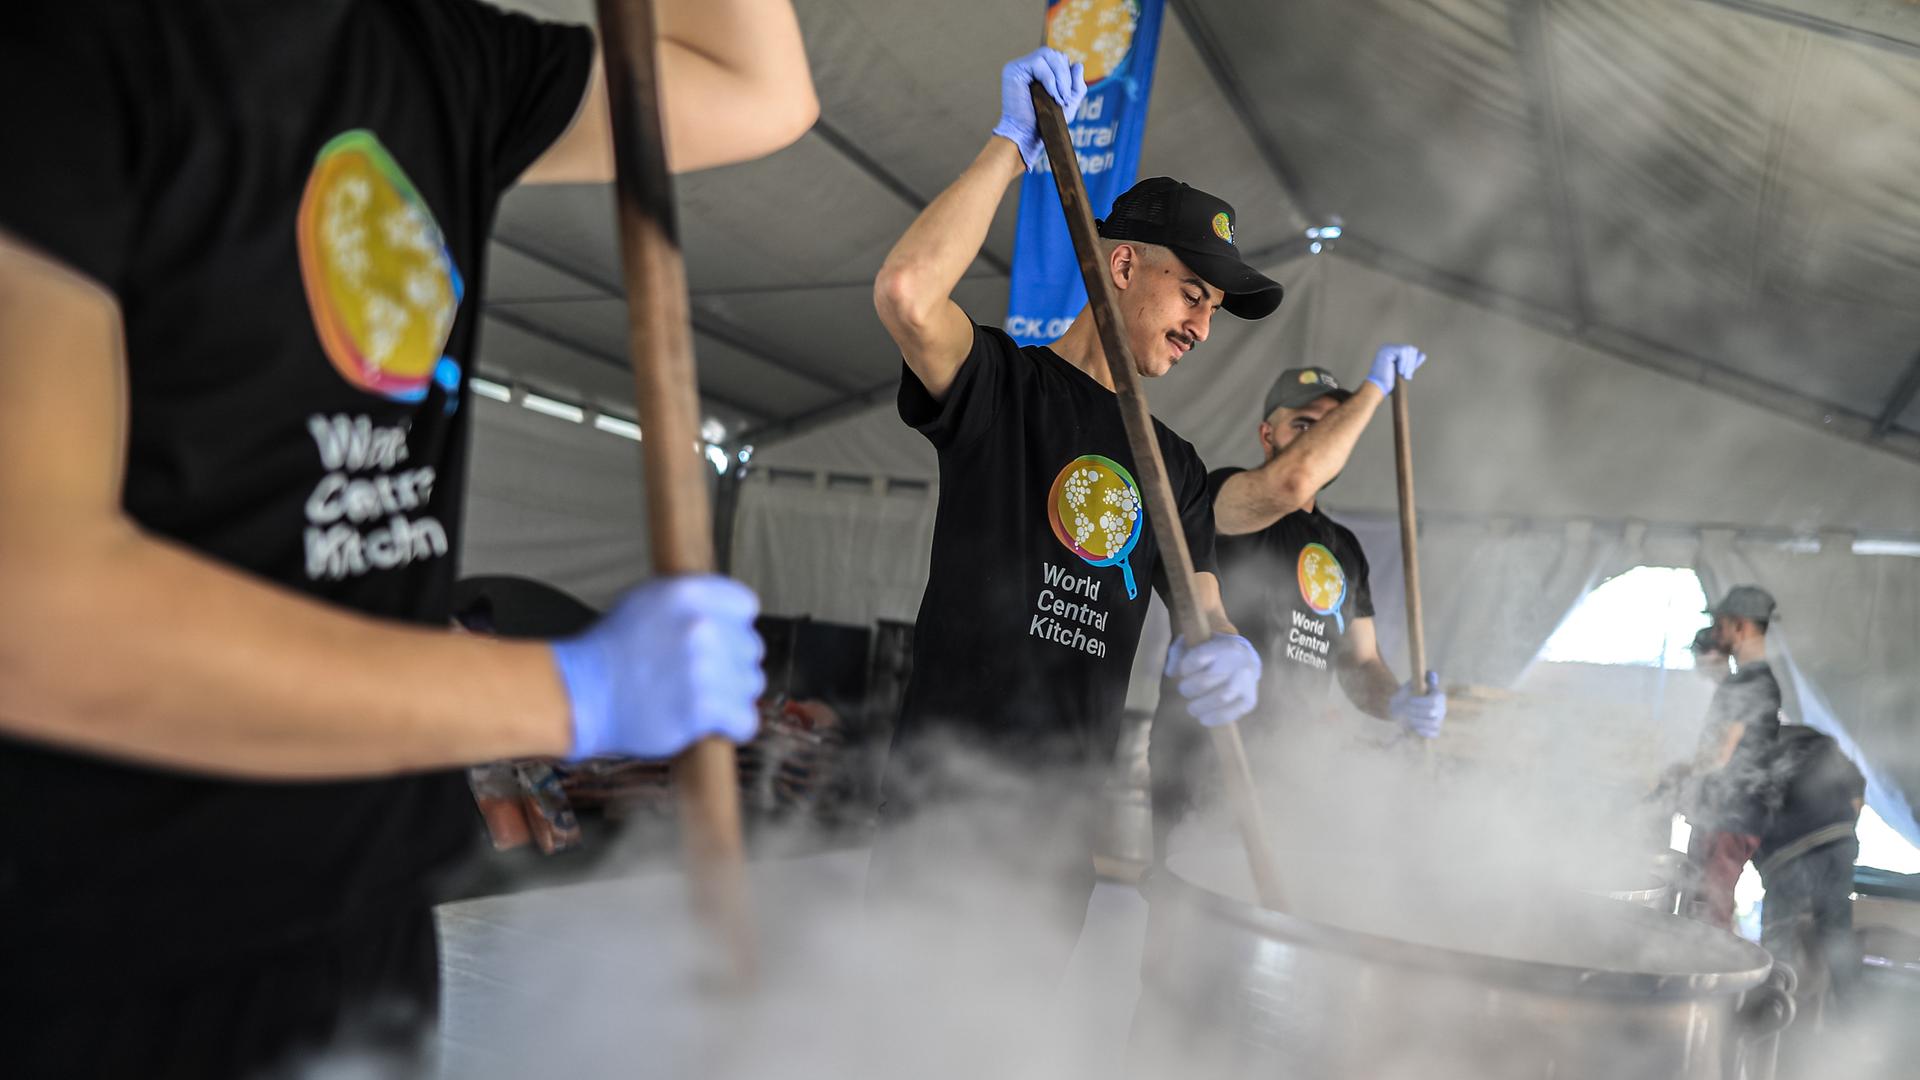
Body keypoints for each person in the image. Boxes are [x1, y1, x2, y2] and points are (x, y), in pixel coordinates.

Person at [0, 2, 815, 1074]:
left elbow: (759, 91)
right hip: (101, 955)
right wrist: (574, 691)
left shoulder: (441, 56)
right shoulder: (61, 52)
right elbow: (37, 614)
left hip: (364, 931)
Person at [865, 48, 1276, 976]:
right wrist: (1012, 145)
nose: (1202, 328)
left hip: (1059, 837)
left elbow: (1201, 605)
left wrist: (1223, 649)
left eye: (1213, 310)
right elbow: (905, 294)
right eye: (1193, 294)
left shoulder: (1173, 466)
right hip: (942, 814)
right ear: (1121, 264)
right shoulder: (1002, 386)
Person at [1149, 359, 1448, 857]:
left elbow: (1362, 662)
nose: (1321, 438)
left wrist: (1397, 702)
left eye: (1332, 426)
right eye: (1305, 425)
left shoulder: (1345, 548)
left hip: (1291, 771)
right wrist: (1374, 390)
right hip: (1203, 760)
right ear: (1268, 434)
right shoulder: (1223, 494)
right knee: (1187, 912)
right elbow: (1293, 482)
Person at [1672, 585, 1785, 929]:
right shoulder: (1753, 682)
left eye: (1721, 626)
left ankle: (1709, 979)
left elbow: (1720, 755)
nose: (1716, 634)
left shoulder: (1750, 683)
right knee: (1703, 903)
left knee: (1709, 909)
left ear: (1742, 627)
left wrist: (1671, 775)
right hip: (1725, 813)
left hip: (1729, 816)